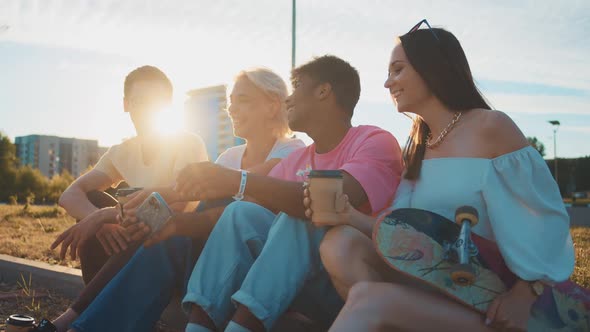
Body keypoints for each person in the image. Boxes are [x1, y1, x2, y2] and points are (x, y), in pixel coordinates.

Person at [313, 20, 588, 331]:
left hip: (496, 302)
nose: (388, 83)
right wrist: (347, 215)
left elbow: (545, 218)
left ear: (432, 68)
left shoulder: (490, 127)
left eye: (398, 70)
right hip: (437, 286)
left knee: (368, 298)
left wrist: (525, 294)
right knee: (340, 243)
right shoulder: (418, 146)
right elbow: (406, 232)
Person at [61, 68, 305, 332]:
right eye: (230, 101)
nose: (231, 109)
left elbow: (228, 190)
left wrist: (107, 214)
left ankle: (77, 321)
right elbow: (185, 197)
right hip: (205, 265)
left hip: (251, 270)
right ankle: (86, 325)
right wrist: (111, 215)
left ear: (272, 105)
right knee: (165, 233)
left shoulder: (292, 151)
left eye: (242, 100)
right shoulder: (228, 158)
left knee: (168, 232)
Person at [177, 55, 403, 332]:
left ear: (323, 91)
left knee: (304, 212)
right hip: (292, 280)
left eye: (296, 86)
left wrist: (238, 180)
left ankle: (243, 326)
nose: (288, 99)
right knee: (240, 213)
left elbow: (329, 200)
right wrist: (172, 223)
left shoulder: (374, 141)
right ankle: (198, 327)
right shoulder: (296, 161)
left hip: (341, 280)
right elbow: (243, 211)